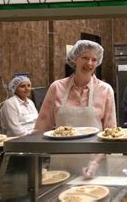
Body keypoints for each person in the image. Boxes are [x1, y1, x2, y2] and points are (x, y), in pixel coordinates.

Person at [34, 40, 116, 179]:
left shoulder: (105, 90)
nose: (89, 64)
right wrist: (36, 163)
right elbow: (41, 129)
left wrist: (95, 163)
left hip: (93, 163)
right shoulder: (56, 88)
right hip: (61, 163)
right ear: (74, 59)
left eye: (94, 59)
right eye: (85, 58)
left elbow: (111, 133)